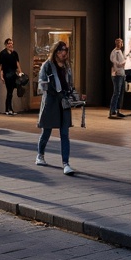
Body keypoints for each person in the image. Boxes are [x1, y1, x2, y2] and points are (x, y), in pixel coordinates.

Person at [36, 40, 77, 175]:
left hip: (63, 101)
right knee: (46, 131)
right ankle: (40, 155)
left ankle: (66, 163)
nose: (62, 53)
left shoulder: (67, 66)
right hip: (51, 101)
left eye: (64, 50)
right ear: (55, 52)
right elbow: (42, 84)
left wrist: (74, 96)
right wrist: (53, 89)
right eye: (60, 51)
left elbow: (70, 84)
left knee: (64, 133)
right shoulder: (47, 66)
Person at [0, 37, 22, 115]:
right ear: (6, 45)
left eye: (11, 43)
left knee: (12, 90)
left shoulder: (14, 53)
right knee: (9, 91)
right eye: (9, 43)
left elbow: (17, 63)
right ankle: (8, 109)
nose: (10, 45)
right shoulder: (3, 53)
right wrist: (1, 75)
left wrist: (20, 72)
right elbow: (1, 65)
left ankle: (9, 109)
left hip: (13, 73)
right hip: (7, 73)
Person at [108, 38, 127, 119]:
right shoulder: (115, 52)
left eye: (121, 42)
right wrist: (124, 61)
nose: (121, 44)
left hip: (122, 74)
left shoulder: (120, 52)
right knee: (117, 92)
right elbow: (117, 63)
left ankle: (118, 110)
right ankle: (112, 110)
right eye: (120, 42)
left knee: (121, 93)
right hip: (117, 74)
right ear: (117, 43)